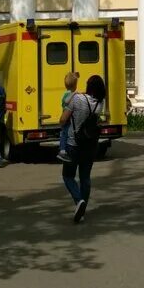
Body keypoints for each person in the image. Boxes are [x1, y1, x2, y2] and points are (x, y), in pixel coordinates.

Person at [59, 74, 106, 224]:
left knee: (68, 176)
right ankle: (82, 210)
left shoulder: (78, 99)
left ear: (89, 86)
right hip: (91, 145)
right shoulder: (100, 103)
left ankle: (79, 201)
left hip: (74, 144)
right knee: (85, 177)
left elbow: (63, 120)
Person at [57, 72, 79, 163]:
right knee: (64, 133)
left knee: (67, 133)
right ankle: (62, 151)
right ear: (75, 85)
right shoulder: (68, 93)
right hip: (66, 116)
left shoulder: (68, 92)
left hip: (69, 116)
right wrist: (74, 94)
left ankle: (64, 149)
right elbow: (66, 101)